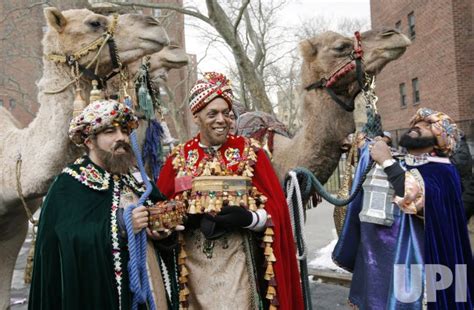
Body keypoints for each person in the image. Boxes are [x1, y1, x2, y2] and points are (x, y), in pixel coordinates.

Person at [156, 72, 304, 310]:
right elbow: (161, 212)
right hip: (195, 273)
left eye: (227, 113)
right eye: (212, 113)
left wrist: (249, 219)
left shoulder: (251, 153)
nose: (221, 120)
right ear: (196, 117)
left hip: (241, 267)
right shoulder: (178, 158)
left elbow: (277, 211)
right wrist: (183, 218)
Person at [28, 99, 171, 310]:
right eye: (109, 132)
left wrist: (163, 231)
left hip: (148, 292)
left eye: (124, 130)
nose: (121, 137)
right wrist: (121, 225)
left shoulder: (134, 180)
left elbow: (158, 212)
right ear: (89, 141)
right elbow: (67, 243)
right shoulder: (69, 184)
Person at [334, 108, 473, 309]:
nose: (418, 126)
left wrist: (386, 160)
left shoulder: (443, 171)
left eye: (427, 125)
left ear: (438, 141)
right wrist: (371, 143)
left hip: (415, 263)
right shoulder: (401, 161)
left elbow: (415, 196)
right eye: (417, 123)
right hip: (379, 262)